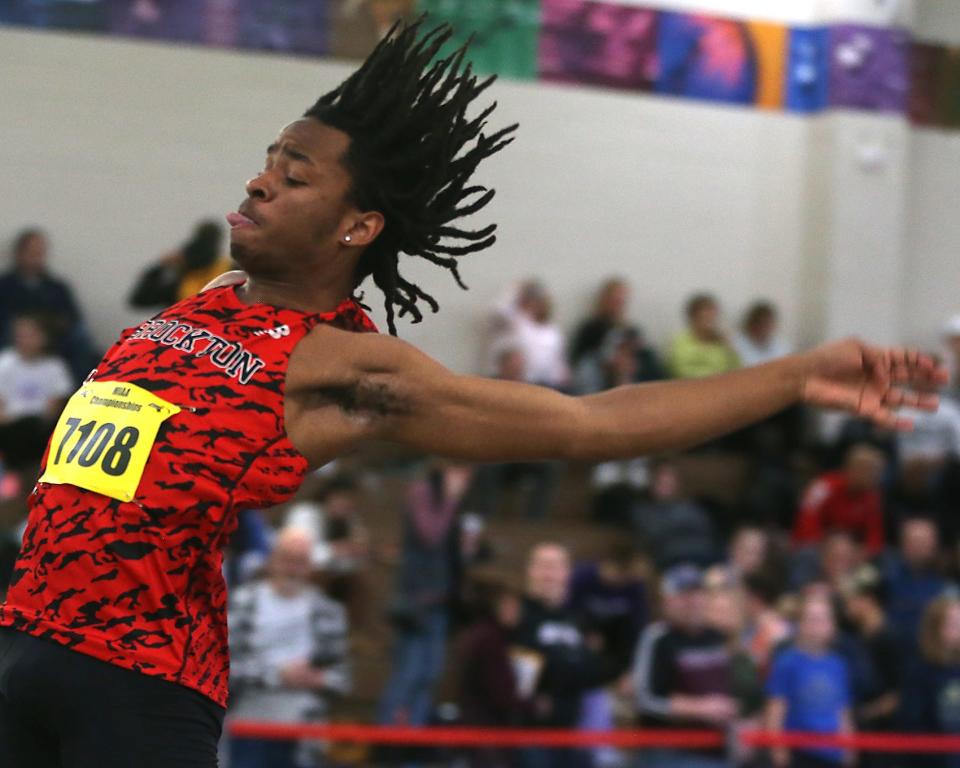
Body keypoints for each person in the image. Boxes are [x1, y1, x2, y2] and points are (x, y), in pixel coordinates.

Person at [0, 19, 943, 768]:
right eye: (267, 160)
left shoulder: (339, 365)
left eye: (294, 175)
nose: (259, 180)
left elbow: (587, 426)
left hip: (135, 686)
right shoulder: (203, 307)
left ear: (357, 224)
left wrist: (789, 375)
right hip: (23, 643)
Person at [228, 528, 350, 768]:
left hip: (303, 731)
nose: (293, 568)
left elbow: (342, 678)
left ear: (311, 566)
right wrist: (278, 675)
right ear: (273, 560)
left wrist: (317, 678)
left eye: (301, 561)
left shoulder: (328, 613)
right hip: (248, 724)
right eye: (287, 559)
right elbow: (223, 668)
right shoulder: (242, 603)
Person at [378, 460, 469, 729]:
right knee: (408, 675)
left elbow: (450, 552)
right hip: (416, 604)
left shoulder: (453, 503)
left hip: (441, 604)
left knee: (429, 676)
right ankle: (386, 745)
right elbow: (430, 534)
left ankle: (411, 745)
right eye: (459, 470)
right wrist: (451, 501)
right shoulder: (423, 492)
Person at [514, 543, 610, 768]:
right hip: (530, 734)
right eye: (543, 566)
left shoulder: (577, 619)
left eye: (556, 567)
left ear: (567, 574)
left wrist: (562, 666)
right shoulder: (518, 616)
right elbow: (519, 677)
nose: (549, 574)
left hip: (574, 731)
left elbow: (593, 671)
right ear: (530, 571)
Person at [631, 564, 734, 768]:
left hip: (716, 750)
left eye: (698, 594)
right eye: (685, 596)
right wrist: (700, 708)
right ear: (668, 601)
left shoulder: (716, 637)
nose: (693, 602)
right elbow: (645, 698)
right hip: (668, 752)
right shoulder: (658, 638)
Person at [765, 596, 855, 768]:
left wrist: (849, 749)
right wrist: (778, 751)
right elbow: (776, 709)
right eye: (813, 620)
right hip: (799, 753)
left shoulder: (838, 665)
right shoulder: (786, 663)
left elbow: (843, 711)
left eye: (824, 620)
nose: (818, 626)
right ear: (801, 624)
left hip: (832, 752)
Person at [0, 228, 98, 382]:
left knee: (80, 336)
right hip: (15, 333)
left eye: (40, 252)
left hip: (52, 334)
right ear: (19, 253)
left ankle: (80, 390)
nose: (36, 257)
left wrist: (49, 325)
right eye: (32, 252)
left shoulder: (56, 286)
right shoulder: (4, 285)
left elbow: (72, 316)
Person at [457, 579, 525, 768]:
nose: (516, 611)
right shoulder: (490, 640)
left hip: (484, 732)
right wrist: (534, 705)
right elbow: (501, 693)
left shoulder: (487, 636)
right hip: (486, 734)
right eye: (511, 605)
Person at [0, 315, 73, 470]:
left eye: (31, 335)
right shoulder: (5, 362)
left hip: (40, 426)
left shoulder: (55, 367)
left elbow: (55, 406)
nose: (25, 340)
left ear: (44, 338)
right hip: (10, 426)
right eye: (21, 336)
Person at [840, 564, 902, 739]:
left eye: (850, 599)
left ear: (868, 599)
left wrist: (864, 714)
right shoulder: (853, 635)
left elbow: (898, 694)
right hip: (859, 731)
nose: (846, 606)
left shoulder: (892, 638)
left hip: (885, 735)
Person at [792, 443, 887, 556]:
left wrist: (865, 551)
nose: (870, 477)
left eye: (874, 473)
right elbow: (806, 519)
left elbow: (874, 535)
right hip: (815, 547)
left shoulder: (872, 498)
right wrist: (823, 548)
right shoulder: (824, 486)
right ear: (850, 467)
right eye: (866, 470)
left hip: (849, 551)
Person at [900, 596, 960, 768]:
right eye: (954, 624)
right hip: (935, 759)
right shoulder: (921, 672)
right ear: (936, 629)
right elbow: (913, 725)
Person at [880, 515, 949, 650]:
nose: (920, 547)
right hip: (894, 650)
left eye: (925, 541)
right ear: (902, 544)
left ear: (935, 545)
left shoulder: (946, 581)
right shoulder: (885, 578)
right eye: (915, 541)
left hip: (936, 653)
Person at [128, 220, 232, 310]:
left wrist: (161, 267)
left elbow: (140, 300)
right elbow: (140, 300)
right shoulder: (232, 272)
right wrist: (161, 267)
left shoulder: (232, 273)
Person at [667, 293, 739, 380]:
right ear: (693, 317)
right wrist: (715, 375)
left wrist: (730, 347)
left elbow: (737, 369)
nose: (709, 321)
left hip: (722, 388)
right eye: (705, 317)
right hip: (689, 388)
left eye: (712, 317)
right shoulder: (680, 341)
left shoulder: (721, 342)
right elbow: (680, 370)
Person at [734, 301, 791, 368]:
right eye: (762, 323)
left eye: (769, 323)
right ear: (752, 324)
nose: (766, 328)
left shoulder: (780, 345)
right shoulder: (736, 345)